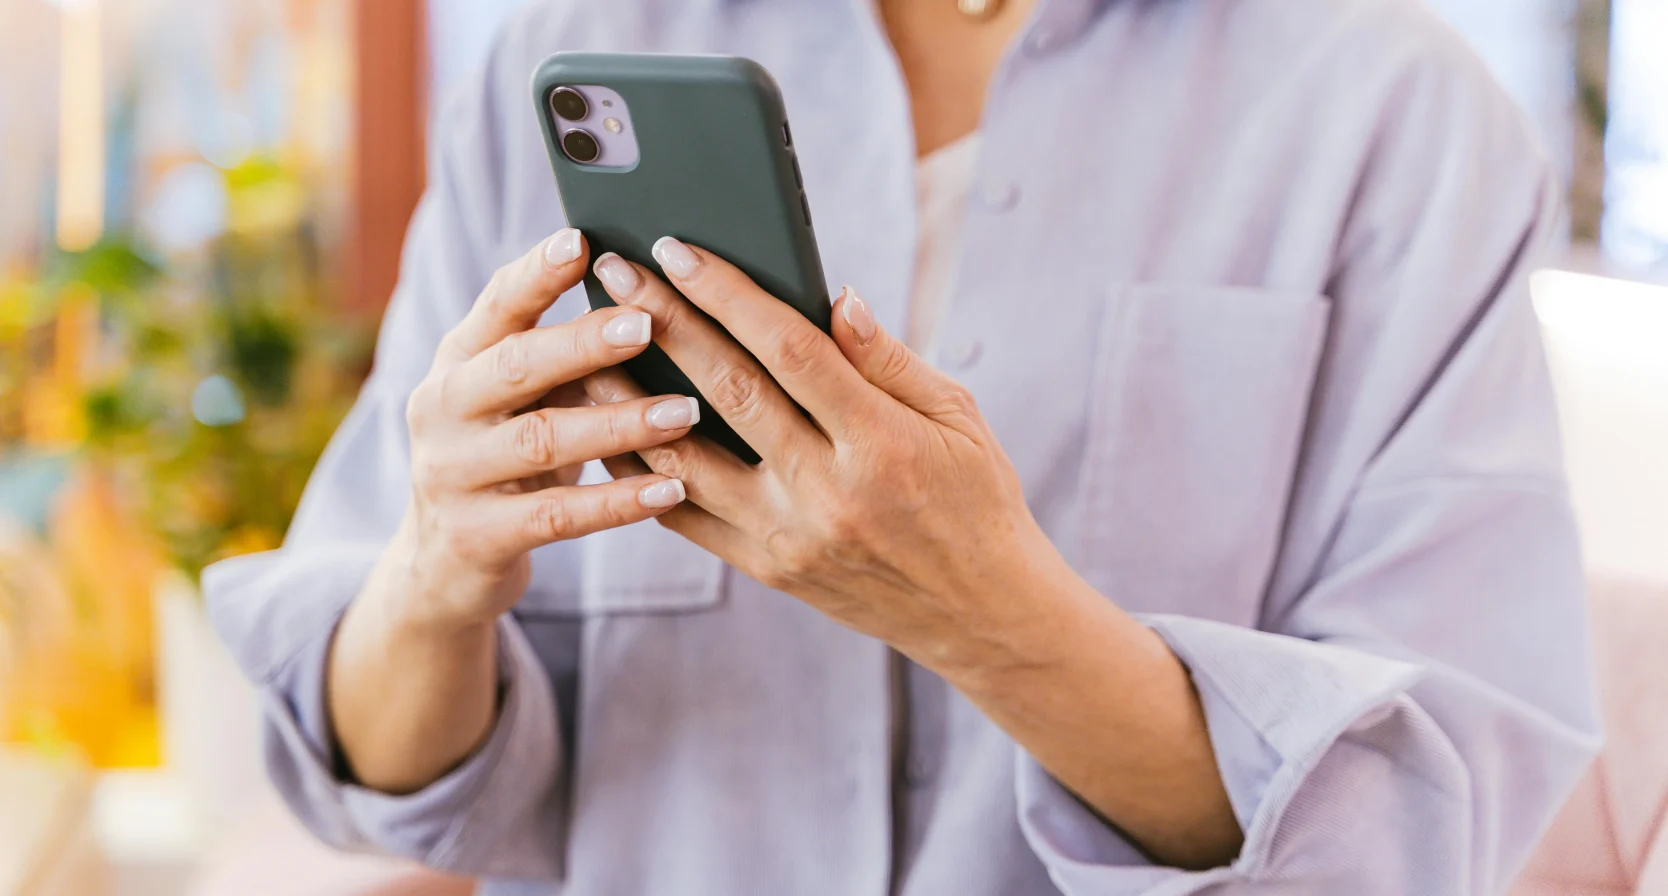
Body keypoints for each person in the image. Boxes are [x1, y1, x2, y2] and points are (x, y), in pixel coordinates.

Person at [204, 0, 1602, 893]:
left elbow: (1428, 825)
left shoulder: (1396, 113)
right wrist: (437, 576)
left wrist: (995, 617)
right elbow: (389, 788)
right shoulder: (561, 58)